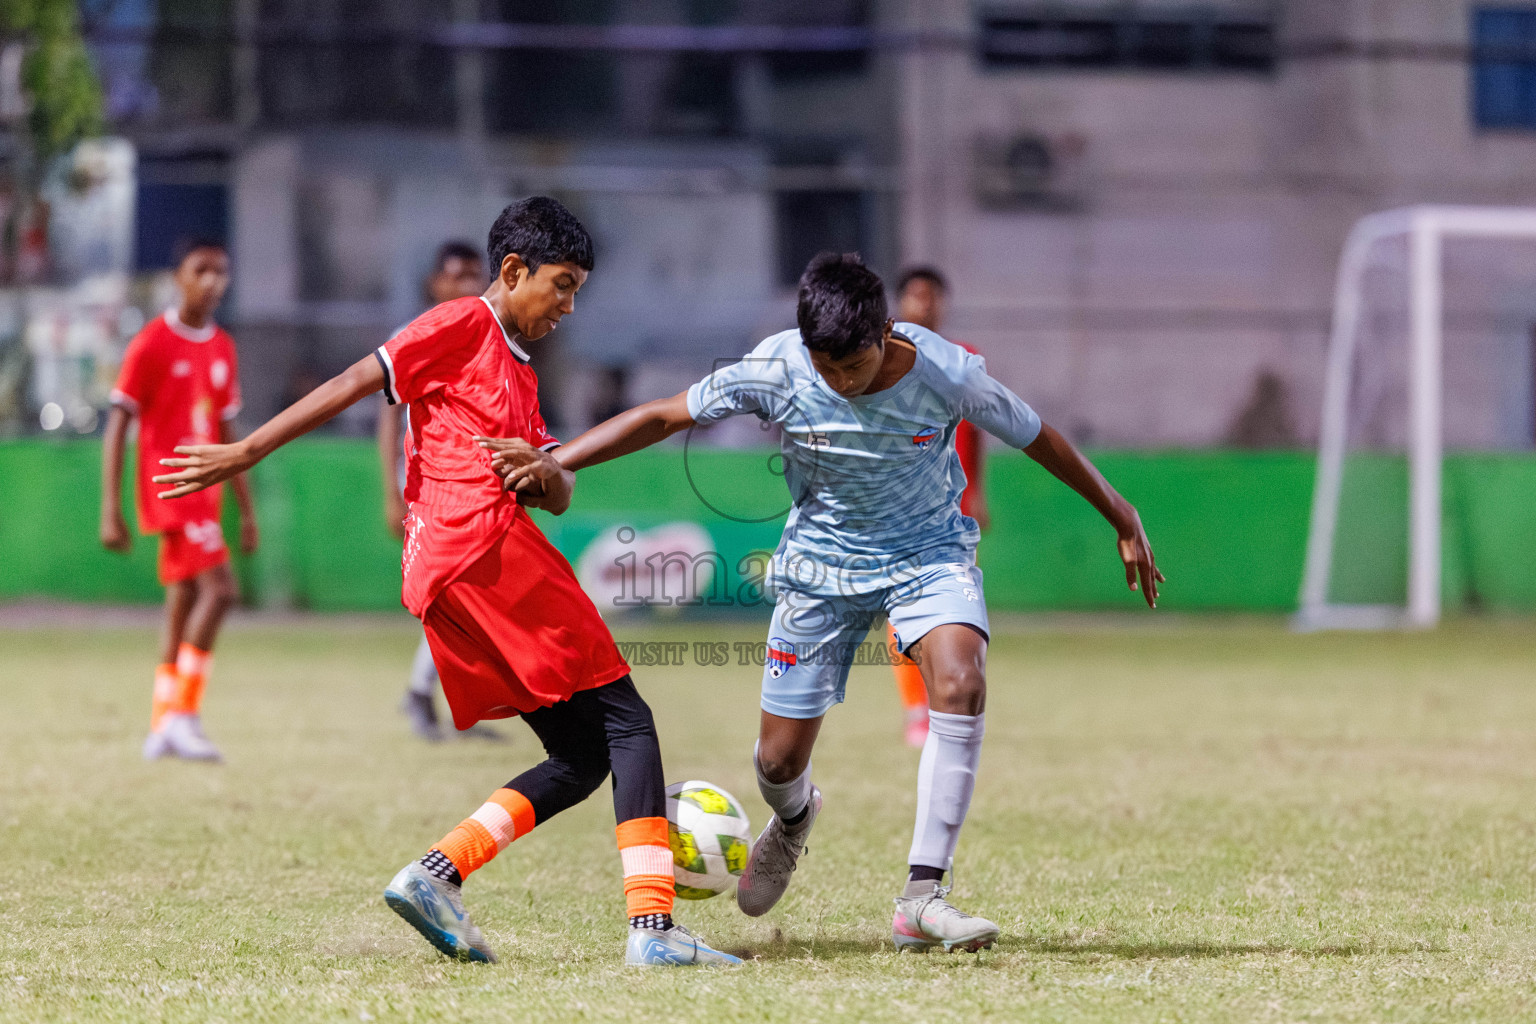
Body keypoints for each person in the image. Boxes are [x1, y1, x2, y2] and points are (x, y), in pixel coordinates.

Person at [491, 252, 1162, 954]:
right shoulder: (777, 368)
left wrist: (1121, 514)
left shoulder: (946, 371)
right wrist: (555, 460)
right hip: (819, 569)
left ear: (885, 334)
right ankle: (795, 817)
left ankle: (922, 899)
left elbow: (1038, 436)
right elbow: (664, 416)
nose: (840, 383)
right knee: (777, 763)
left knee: (961, 683)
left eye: (854, 367)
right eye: (826, 368)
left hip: (929, 556)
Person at [151, 197, 738, 968]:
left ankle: (435, 876)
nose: (568, 305)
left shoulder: (519, 375)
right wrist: (247, 450)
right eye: (560, 285)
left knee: (581, 755)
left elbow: (554, 489)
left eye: (577, 291)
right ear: (513, 270)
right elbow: (359, 378)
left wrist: (549, 471)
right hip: (484, 551)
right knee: (629, 721)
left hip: (445, 572)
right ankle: (654, 933)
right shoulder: (465, 321)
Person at [100, 238, 257, 763]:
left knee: (185, 602)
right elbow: (119, 420)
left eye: (222, 271)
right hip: (170, 488)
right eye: (202, 269)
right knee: (223, 590)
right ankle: (184, 717)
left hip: (204, 491)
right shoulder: (152, 342)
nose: (213, 280)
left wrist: (247, 508)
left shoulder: (222, 347)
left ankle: (161, 722)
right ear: (179, 277)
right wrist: (111, 507)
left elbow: (228, 429)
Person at [376, 239, 505, 743]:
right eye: (457, 275)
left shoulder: (489, 333)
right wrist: (391, 490)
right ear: (435, 283)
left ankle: (451, 701)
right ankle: (425, 694)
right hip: (431, 490)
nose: (468, 285)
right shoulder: (416, 335)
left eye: (475, 275)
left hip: (477, 490)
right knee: (451, 594)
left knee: (470, 597)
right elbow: (389, 418)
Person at [887, 266, 988, 748]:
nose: (923, 304)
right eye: (914, 295)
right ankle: (917, 711)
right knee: (899, 607)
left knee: (954, 609)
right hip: (896, 507)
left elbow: (980, 431)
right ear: (901, 301)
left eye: (931, 296)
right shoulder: (881, 361)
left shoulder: (963, 361)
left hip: (951, 512)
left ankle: (944, 702)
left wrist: (979, 492)